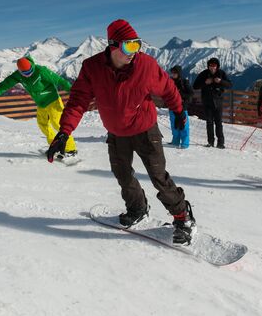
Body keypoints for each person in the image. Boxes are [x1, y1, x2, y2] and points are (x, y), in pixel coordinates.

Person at [46, 19, 196, 245]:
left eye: (137, 45)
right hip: (116, 133)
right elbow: (78, 101)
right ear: (113, 46)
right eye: (129, 46)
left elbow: (167, 88)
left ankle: (182, 217)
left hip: (146, 130)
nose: (133, 53)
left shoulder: (145, 65)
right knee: (123, 176)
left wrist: (179, 111)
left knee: (159, 177)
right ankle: (138, 208)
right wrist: (64, 132)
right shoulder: (92, 68)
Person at [0, 56, 77, 157]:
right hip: (41, 104)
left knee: (58, 124)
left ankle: (71, 149)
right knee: (43, 125)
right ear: (20, 71)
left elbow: (59, 80)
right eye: (25, 73)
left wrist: (72, 91)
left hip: (53, 100)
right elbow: (5, 84)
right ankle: (55, 146)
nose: (28, 74)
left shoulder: (41, 71)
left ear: (32, 66)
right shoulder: (18, 75)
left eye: (30, 71)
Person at [193, 57, 232, 149]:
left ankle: (221, 143)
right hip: (207, 102)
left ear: (217, 66)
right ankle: (210, 142)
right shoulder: (203, 74)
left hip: (218, 102)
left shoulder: (221, 73)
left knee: (218, 122)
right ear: (208, 66)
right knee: (209, 123)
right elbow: (195, 86)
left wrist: (221, 81)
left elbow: (230, 85)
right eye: (210, 65)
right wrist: (205, 83)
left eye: (214, 66)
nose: (212, 67)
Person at [168, 65, 193, 149]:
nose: (173, 74)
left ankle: (185, 143)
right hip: (172, 106)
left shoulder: (184, 82)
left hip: (182, 107)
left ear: (179, 73)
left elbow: (191, 93)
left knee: (184, 125)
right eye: (172, 72)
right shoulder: (170, 81)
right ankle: (175, 141)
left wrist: (180, 95)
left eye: (175, 73)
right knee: (174, 125)